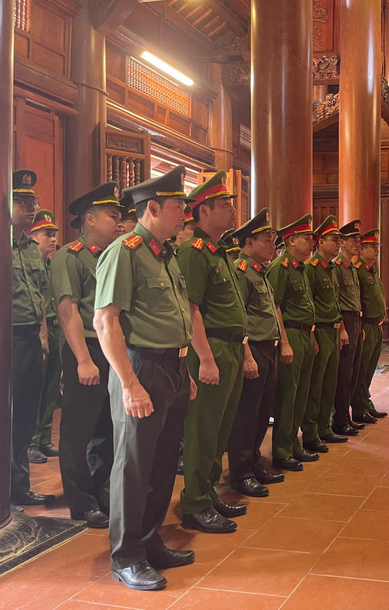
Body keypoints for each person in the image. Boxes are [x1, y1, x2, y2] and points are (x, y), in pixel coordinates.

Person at [93, 166, 195, 591]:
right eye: (177, 208)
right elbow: (105, 322)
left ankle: (151, 541)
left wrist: (184, 370)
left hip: (171, 367)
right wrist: (130, 383)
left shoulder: (165, 254)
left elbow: (176, 319)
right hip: (141, 369)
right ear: (152, 208)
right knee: (133, 467)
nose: (184, 215)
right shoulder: (125, 251)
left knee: (163, 462)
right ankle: (127, 555)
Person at [176, 170, 248, 534]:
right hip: (212, 347)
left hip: (232, 347)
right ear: (203, 211)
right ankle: (194, 503)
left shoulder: (219, 251)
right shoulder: (194, 252)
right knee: (202, 429)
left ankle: (208, 490)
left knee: (220, 429)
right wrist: (204, 357)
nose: (232, 211)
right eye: (225, 205)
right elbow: (192, 309)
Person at [51, 183, 124, 528]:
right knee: (79, 431)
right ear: (90, 219)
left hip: (113, 349)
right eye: (113, 216)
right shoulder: (71, 255)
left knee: (108, 428)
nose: (120, 222)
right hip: (89, 348)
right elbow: (68, 311)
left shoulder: (113, 256)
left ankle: (101, 490)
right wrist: (82, 359)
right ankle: (80, 501)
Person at [226, 209, 285, 497]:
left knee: (263, 411)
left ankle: (252, 462)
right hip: (254, 349)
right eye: (267, 239)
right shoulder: (241, 271)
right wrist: (247, 354)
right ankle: (240, 472)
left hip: (269, 347)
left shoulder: (261, 272)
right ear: (248, 243)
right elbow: (241, 317)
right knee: (246, 413)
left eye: (273, 240)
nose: (273, 245)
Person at [10, 169, 53, 506]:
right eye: (22, 201)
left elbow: (40, 296)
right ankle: (1, 487)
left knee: (25, 415)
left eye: (32, 201)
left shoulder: (30, 248)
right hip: (2, 341)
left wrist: (41, 338)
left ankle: (19, 485)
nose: (31, 207)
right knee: (2, 417)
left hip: (29, 341)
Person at [266, 214, 318, 472]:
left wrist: (312, 336)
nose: (312, 242)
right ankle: (282, 450)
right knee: (288, 395)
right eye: (307, 238)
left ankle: (294, 444)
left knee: (301, 395)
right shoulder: (281, 267)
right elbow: (276, 306)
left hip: (305, 335)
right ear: (290, 240)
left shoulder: (301, 268)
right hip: (291, 336)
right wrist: (284, 342)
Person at [301, 215, 350, 454]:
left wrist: (341, 328)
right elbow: (308, 303)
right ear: (320, 242)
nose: (338, 243)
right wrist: (312, 335)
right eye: (333, 239)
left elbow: (334, 303)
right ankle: (310, 433)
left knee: (329, 384)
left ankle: (324, 427)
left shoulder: (330, 268)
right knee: (316, 386)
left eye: (340, 239)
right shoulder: (311, 269)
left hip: (332, 329)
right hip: (318, 330)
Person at [26, 210, 62, 465]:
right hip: (38, 330)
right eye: (47, 234)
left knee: (51, 389)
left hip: (56, 328)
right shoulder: (29, 265)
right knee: (34, 389)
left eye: (54, 234)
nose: (52, 239)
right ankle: (31, 440)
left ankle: (44, 438)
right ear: (33, 236)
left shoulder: (53, 264)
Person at [332, 220, 366, 436]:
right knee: (343, 374)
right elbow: (336, 300)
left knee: (353, 372)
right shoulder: (336, 267)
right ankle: (339, 418)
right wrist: (343, 328)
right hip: (344, 320)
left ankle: (347, 416)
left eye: (358, 239)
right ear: (342, 242)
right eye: (353, 239)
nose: (358, 243)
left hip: (356, 320)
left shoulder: (351, 267)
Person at [352, 229, 389, 421]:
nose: (376, 251)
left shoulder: (371, 270)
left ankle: (365, 402)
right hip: (365, 326)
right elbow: (356, 302)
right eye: (372, 247)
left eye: (377, 247)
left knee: (370, 368)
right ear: (362, 249)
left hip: (377, 325)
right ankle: (360, 408)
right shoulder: (357, 270)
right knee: (362, 369)